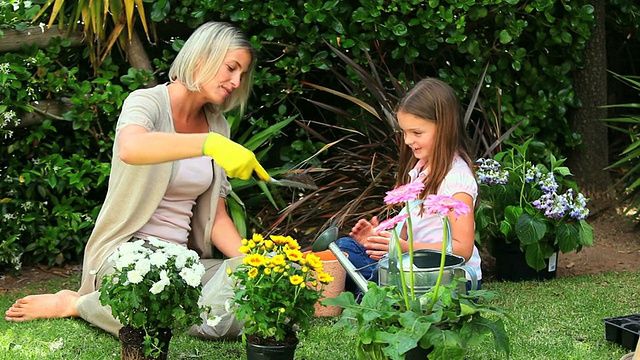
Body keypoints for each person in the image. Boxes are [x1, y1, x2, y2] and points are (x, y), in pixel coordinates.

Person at [4, 21, 266, 337]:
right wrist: (207, 144)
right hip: (128, 260)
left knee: (255, 288)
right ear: (202, 56)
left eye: (242, 74)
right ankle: (80, 304)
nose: (236, 82)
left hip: (183, 264)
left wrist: (256, 266)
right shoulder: (147, 103)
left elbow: (217, 218)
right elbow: (131, 147)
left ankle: (174, 310)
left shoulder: (218, 125)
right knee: (158, 307)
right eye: (231, 68)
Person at [336, 77, 482, 294]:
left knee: (370, 273)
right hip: (415, 267)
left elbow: (463, 250)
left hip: (450, 278)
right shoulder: (423, 169)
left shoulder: (456, 181)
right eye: (404, 132)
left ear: (444, 128)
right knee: (344, 248)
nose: (407, 140)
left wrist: (403, 248)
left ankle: (371, 293)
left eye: (417, 133)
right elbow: (411, 231)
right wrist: (379, 239)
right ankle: (371, 289)